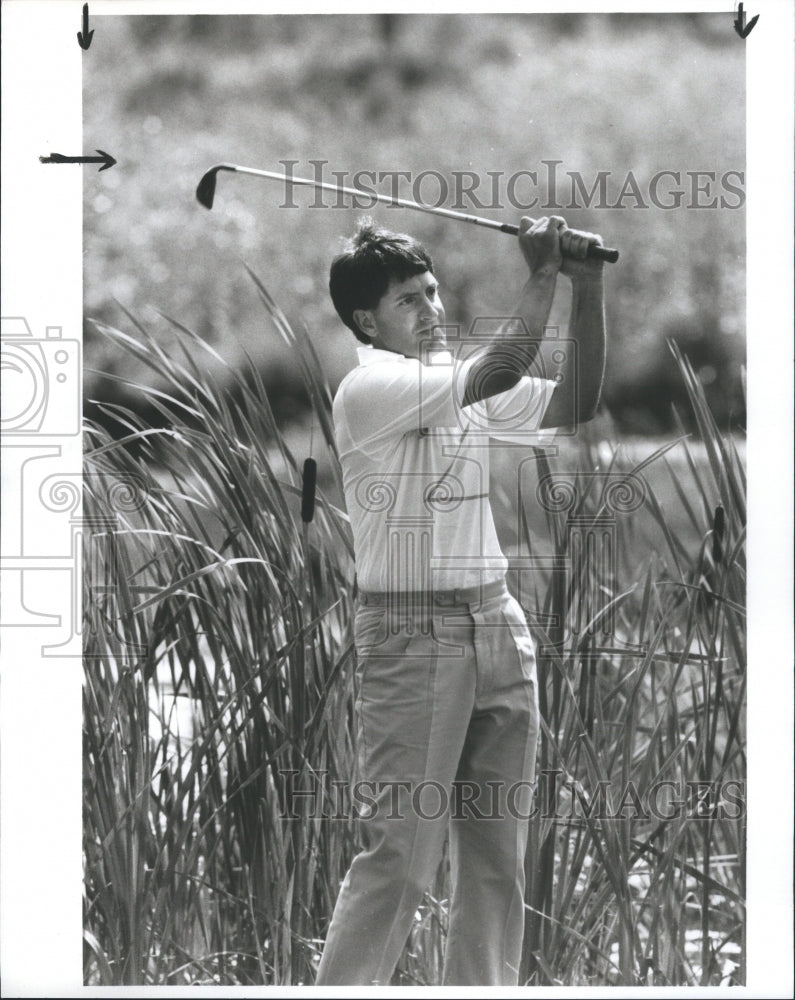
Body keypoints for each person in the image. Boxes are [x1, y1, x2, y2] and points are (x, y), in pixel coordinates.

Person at [315, 214, 606, 986]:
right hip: (413, 637)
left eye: (433, 291)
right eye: (410, 299)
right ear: (366, 320)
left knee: (497, 862)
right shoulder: (371, 387)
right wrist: (540, 272)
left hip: (495, 622)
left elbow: (576, 399)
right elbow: (495, 372)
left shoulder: (455, 384)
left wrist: (587, 285)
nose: (431, 308)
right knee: (401, 861)